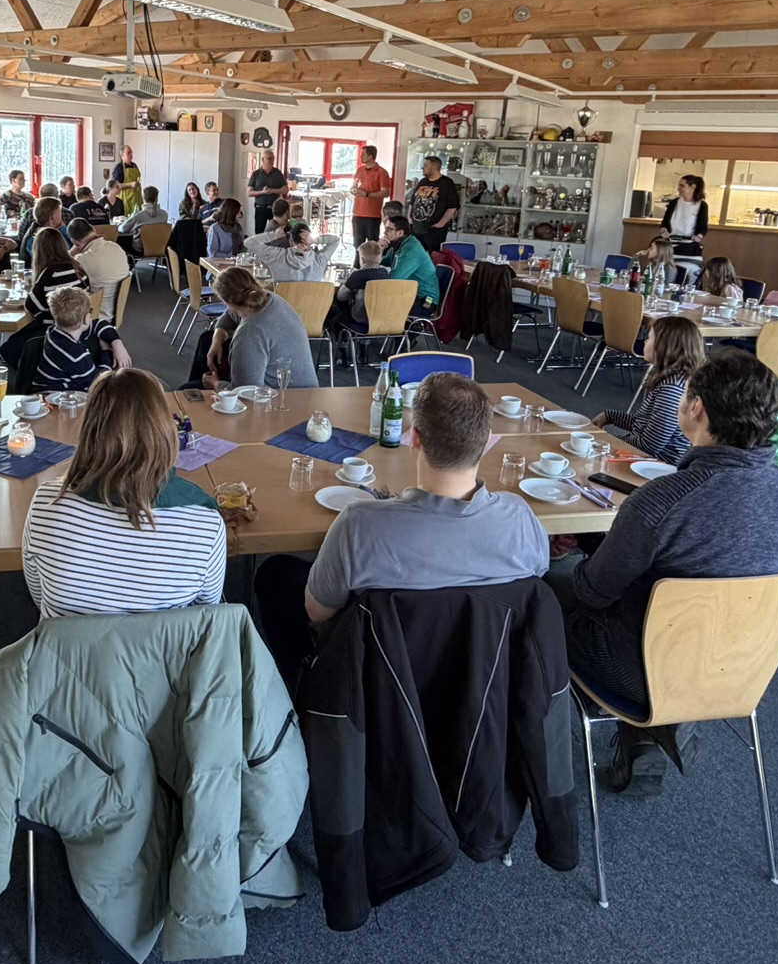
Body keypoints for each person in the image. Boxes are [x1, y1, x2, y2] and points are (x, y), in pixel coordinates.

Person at [558, 347, 778, 796]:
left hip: (644, 669)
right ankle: (649, 731)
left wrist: (592, 550)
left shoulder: (664, 500)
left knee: (539, 591)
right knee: (654, 603)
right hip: (743, 669)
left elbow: (591, 592)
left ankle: (534, 736)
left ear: (696, 407)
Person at [249, 373, 548, 675]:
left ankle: (304, 685)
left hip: (379, 672)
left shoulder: (359, 524)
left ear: (414, 437)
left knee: (275, 574)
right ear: (486, 441)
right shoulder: (521, 518)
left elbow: (317, 612)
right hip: (486, 673)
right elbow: (533, 588)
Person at [20, 368, 226, 618]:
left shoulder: (45, 504)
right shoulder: (205, 524)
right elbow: (206, 610)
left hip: (67, 644)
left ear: (89, 430)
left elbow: (38, 594)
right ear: (164, 430)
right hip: (162, 644)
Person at [590, 316, 704, 466]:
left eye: (649, 338)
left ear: (664, 347)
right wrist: (610, 416)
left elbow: (649, 445)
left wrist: (609, 441)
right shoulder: (671, 380)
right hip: (648, 458)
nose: (644, 342)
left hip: (658, 464)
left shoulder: (671, 389)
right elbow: (645, 426)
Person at [214, 266, 318, 389]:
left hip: (284, 397)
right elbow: (229, 314)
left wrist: (215, 384)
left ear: (228, 302)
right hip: (309, 390)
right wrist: (217, 338)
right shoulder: (272, 299)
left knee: (196, 386)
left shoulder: (248, 334)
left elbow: (246, 392)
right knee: (207, 339)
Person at [4, 225, 86, 369]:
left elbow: (31, 306)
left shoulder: (49, 274)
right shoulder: (76, 267)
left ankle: (38, 369)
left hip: (55, 328)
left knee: (8, 348)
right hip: (79, 324)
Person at [33, 285, 129, 391]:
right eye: (90, 312)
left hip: (51, 390)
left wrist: (117, 343)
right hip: (53, 396)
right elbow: (98, 382)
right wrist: (106, 351)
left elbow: (99, 324)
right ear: (87, 319)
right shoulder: (74, 354)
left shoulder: (54, 331)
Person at [68, 218, 129, 320]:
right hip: (116, 313)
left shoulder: (82, 261)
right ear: (93, 229)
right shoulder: (117, 247)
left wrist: (72, 252)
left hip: (94, 317)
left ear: (75, 243)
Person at [327, 240, 392, 334]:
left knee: (335, 315)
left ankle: (339, 340)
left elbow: (341, 296)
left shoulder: (358, 275)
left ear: (362, 259)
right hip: (382, 317)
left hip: (360, 317)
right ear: (380, 258)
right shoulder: (386, 272)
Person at [380, 210, 439, 309]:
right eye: (385, 228)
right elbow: (380, 265)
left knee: (380, 306)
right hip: (408, 294)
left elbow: (395, 279)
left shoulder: (411, 249)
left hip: (424, 300)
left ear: (400, 233)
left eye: (389, 229)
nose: (385, 232)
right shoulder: (397, 246)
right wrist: (379, 251)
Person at [405, 154, 461, 251]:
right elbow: (413, 201)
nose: (423, 168)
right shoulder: (423, 182)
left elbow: (452, 206)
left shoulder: (446, 183)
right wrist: (409, 217)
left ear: (434, 168)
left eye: (426, 166)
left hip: (433, 230)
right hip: (416, 228)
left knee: (431, 255)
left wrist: (441, 223)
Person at [253, 220, 335, 282]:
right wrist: (316, 240)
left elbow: (250, 243)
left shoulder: (278, 256)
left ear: (291, 242)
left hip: (282, 300)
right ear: (310, 242)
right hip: (312, 300)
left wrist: (274, 235)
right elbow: (335, 240)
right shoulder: (320, 260)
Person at [656, 174, 709, 260]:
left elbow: (703, 226)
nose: (678, 188)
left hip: (689, 244)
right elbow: (665, 222)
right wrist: (663, 231)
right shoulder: (674, 203)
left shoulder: (702, 205)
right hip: (670, 242)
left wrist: (699, 236)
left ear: (692, 187)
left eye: (682, 186)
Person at [349, 144, 392, 246]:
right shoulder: (360, 170)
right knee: (357, 243)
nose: (361, 156)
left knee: (372, 244)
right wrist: (353, 190)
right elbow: (354, 185)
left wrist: (367, 194)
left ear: (370, 156)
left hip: (372, 214)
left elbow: (386, 192)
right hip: (358, 213)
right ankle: (357, 257)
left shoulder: (382, 172)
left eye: (363, 154)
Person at [117, 185, 168, 258]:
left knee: (121, 240)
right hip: (160, 247)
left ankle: (129, 263)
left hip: (141, 249)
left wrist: (128, 218)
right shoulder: (164, 215)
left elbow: (122, 229)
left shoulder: (138, 216)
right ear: (156, 198)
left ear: (143, 198)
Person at [248, 148, 287, 235]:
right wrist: (263, 192)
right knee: (259, 233)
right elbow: (249, 193)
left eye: (273, 158)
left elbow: (285, 190)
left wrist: (272, 190)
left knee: (276, 232)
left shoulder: (278, 173)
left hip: (274, 209)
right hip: (260, 208)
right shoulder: (256, 174)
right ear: (263, 159)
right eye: (269, 158)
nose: (272, 161)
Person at [19, 194, 64, 261]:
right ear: (52, 218)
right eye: (60, 213)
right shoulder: (35, 238)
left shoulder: (53, 231)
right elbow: (54, 261)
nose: (61, 216)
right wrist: (76, 248)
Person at [109, 144, 143, 216]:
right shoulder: (118, 168)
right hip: (125, 199)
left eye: (131, 153)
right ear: (122, 155)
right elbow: (115, 186)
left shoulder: (134, 166)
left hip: (136, 198)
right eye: (128, 153)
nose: (131, 154)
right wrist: (130, 185)